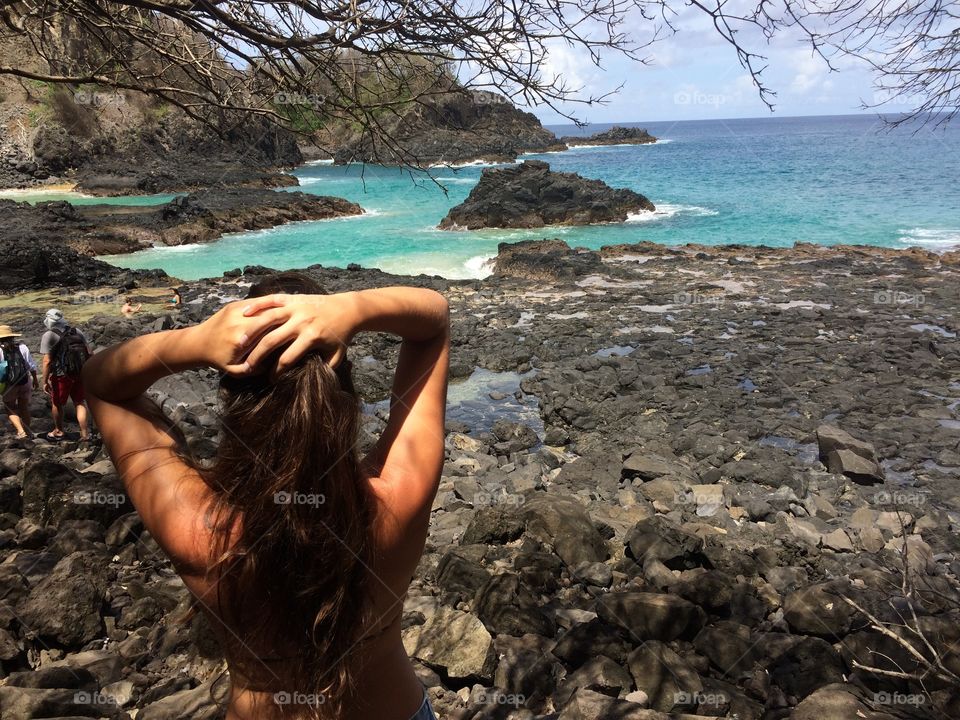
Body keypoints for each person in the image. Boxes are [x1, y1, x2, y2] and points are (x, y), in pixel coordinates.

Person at [83, 273, 450, 720]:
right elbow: (433, 320)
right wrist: (353, 308)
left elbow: (101, 382)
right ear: (344, 385)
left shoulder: (197, 530)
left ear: (230, 398)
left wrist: (195, 342)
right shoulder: (398, 498)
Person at [40, 309, 92, 442]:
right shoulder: (76, 331)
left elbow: (47, 361)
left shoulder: (49, 335)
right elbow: (89, 353)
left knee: (57, 403)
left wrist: (44, 381)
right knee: (79, 402)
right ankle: (85, 434)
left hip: (61, 375)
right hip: (80, 373)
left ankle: (58, 430)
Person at [0, 325, 39, 440]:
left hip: (9, 385)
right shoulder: (22, 347)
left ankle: (21, 432)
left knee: (10, 407)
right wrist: (35, 380)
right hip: (25, 381)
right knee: (24, 407)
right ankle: (29, 432)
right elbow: (31, 366)